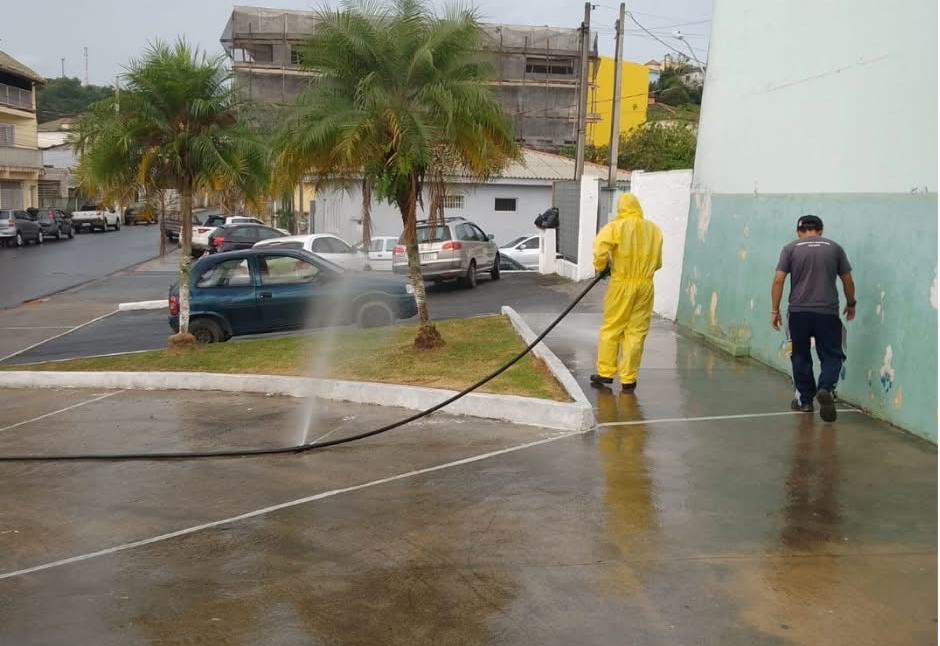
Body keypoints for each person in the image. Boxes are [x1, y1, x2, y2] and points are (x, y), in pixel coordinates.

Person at [771, 214, 855, 422]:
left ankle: (805, 401)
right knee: (832, 355)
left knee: (798, 355)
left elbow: (779, 280)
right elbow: (847, 280)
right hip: (828, 313)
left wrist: (775, 310)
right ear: (821, 230)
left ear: (799, 232)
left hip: (798, 313)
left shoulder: (790, 248)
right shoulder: (835, 248)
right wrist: (851, 303)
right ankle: (825, 388)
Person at [590, 193, 663, 390]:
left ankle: (605, 373)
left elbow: (600, 249)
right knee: (636, 331)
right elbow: (657, 263)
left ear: (621, 208)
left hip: (622, 284)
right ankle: (628, 378)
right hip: (646, 286)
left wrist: (601, 265)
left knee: (612, 327)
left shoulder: (616, 227)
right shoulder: (654, 229)